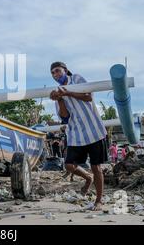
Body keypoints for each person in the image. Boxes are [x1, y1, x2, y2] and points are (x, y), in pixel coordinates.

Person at [49, 61, 108, 211]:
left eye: (57, 71)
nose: (56, 75)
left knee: (96, 166)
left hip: (93, 129)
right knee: (69, 165)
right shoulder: (57, 91)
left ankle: (99, 200)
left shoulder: (76, 79)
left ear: (65, 70)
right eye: (53, 73)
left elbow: (88, 96)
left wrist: (68, 93)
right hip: (76, 133)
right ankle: (88, 178)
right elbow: (65, 117)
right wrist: (60, 99)